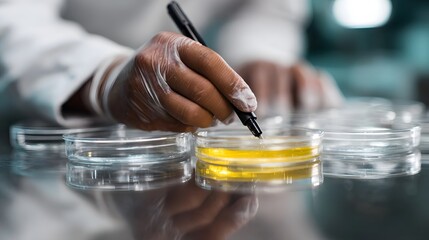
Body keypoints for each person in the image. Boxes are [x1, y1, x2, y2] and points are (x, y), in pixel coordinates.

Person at [0, 0, 343, 135]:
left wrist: (258, 52)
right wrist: (102, 76)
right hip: (56, 107)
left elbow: (266, 8)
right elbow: (10, 17)